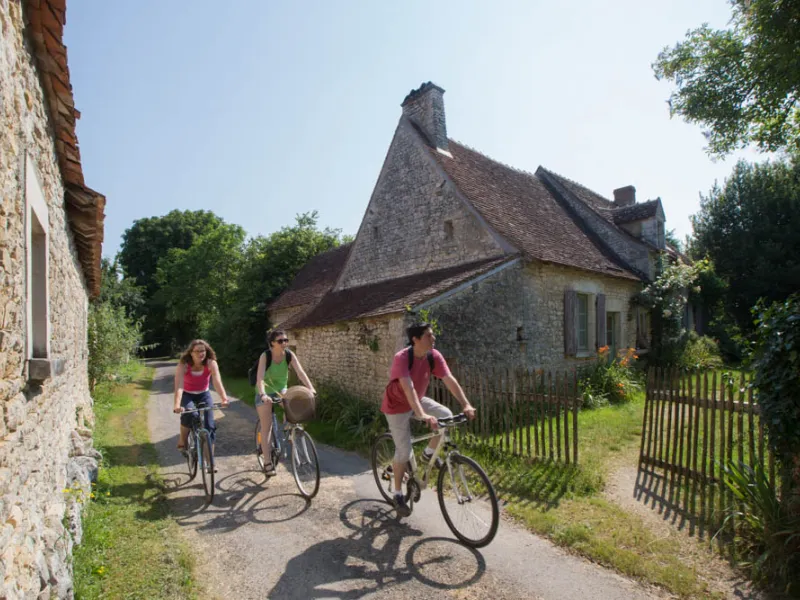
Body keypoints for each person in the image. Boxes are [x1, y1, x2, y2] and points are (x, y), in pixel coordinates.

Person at [381, 322, 476, 516]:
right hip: (396, 406)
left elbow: (449, 379)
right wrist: (422, 415)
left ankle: (428, 452)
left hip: (418, 399)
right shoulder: (402, 358)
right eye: (428, 336)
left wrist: (465, 404)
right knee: (404, 450)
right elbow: (408, 388)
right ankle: (398, 494)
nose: (433, 339)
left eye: (432, 335)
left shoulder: (433, 356)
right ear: (415, 340)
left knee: (446, 415)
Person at [255, 329, 317, 476]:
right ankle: (267, 463)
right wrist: (263, 394)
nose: (284, 343)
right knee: (267, 427)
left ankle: (290, 429)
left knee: (293, 409)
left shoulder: (289, 354)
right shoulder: (266, 356)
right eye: (280, 341)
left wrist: (311, 389)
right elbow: (260, 378)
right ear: (272, 343)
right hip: (265, 391)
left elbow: (300, 373)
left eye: (286, 340)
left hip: (281, 389)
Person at [173, 339, 229, 465]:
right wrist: (177, 405)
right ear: (191, 353)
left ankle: (210, 462)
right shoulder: (184, 365)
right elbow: (179, 386)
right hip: (187, 394)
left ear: (206, 351)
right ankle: (182, 440)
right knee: (190, 414)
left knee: (209, 425)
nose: (200, 353)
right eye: (197, 351)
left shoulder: (211, 363)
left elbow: (217, 381)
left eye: (202, 351)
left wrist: (224, 398)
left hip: (204, 394)